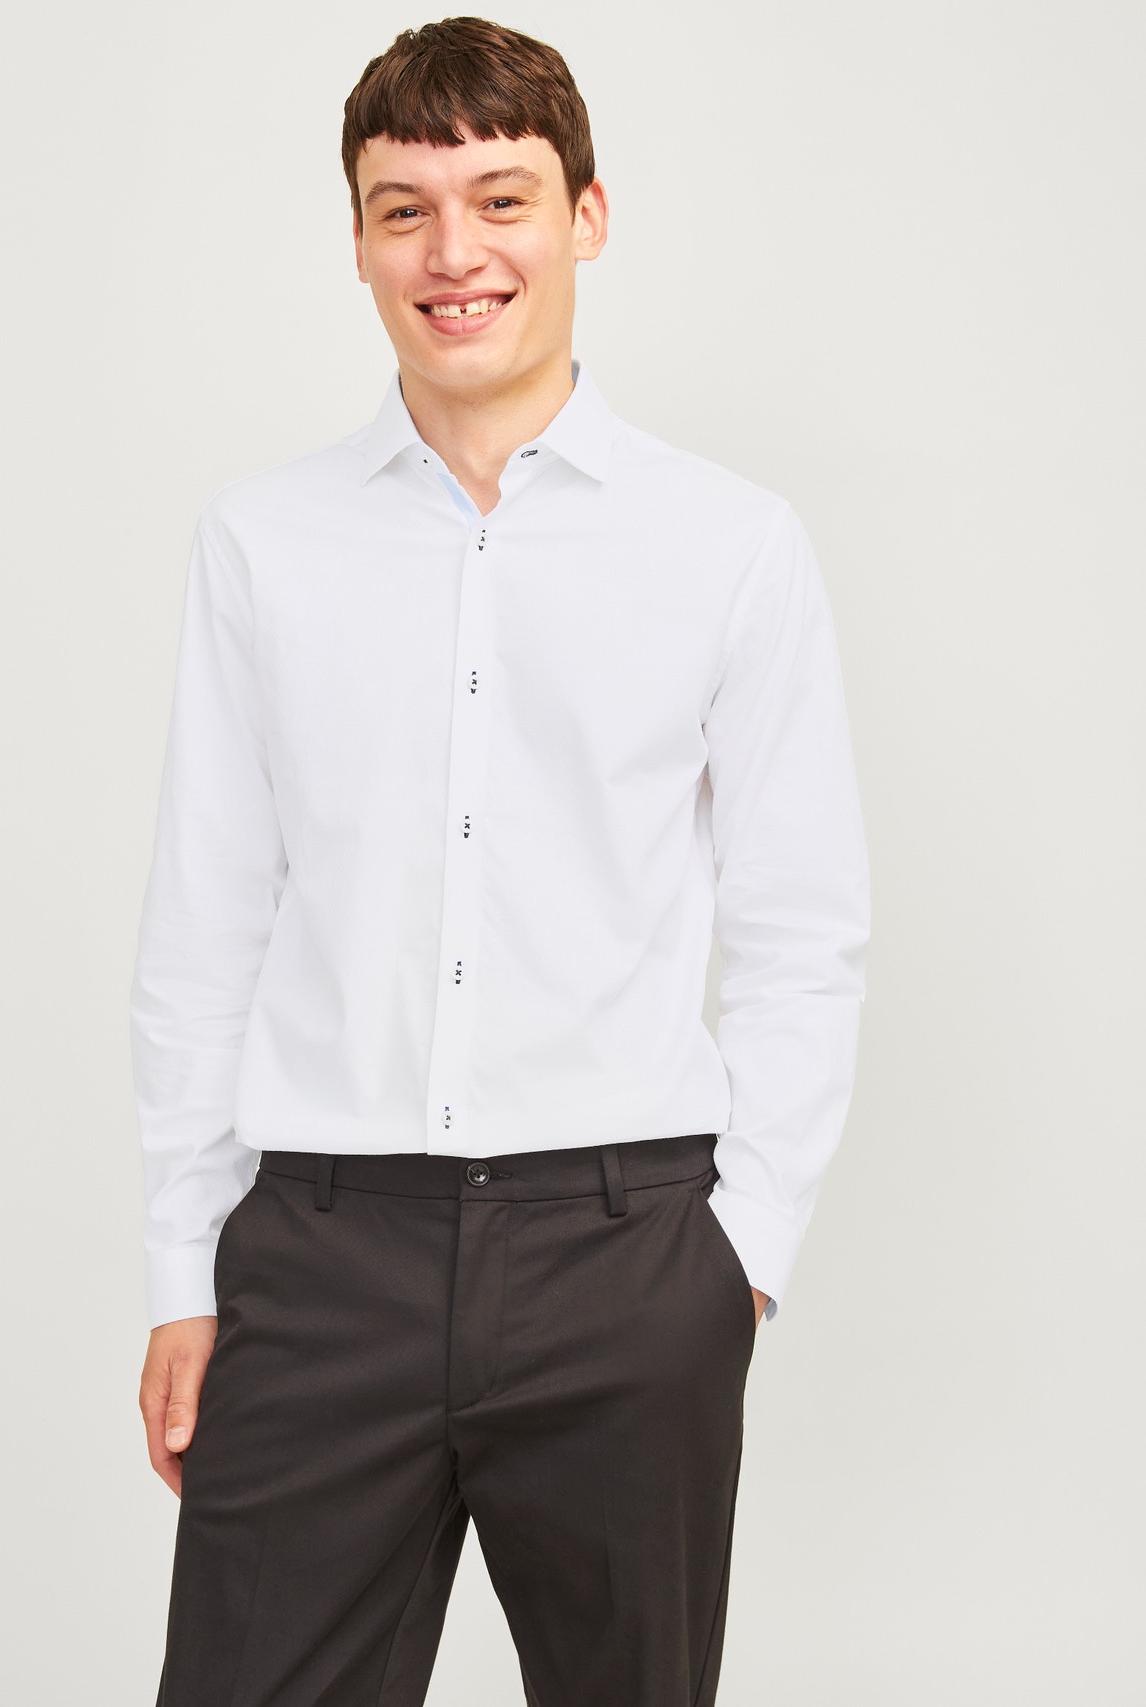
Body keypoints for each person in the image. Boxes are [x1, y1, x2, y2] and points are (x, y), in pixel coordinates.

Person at [131, 16, 870, 1705]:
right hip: (321, 1253)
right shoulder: (264, 543)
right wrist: (184, 1272)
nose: (454, 253)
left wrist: (737, 1260)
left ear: (586, 217)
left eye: (502, 199)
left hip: (627, 1254)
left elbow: (800, 928)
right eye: (406, 210)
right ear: (359, 242)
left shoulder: (729, 547)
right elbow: (205, 927)